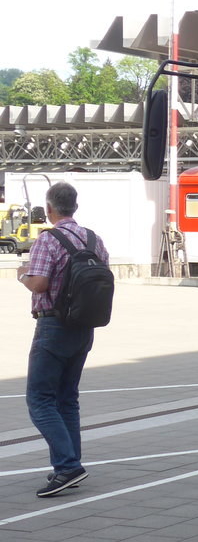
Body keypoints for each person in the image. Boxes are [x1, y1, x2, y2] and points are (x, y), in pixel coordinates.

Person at [16, 182, 109, 497]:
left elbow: (40, 284)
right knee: (67, 397)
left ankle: (67, 466)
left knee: (40, 399)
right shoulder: (94, 240)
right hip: (85, 327)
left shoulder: (47, 239)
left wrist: (22, 274)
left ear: (50, 208)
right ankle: (70, 464)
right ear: (75, 207)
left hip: (53, 326)